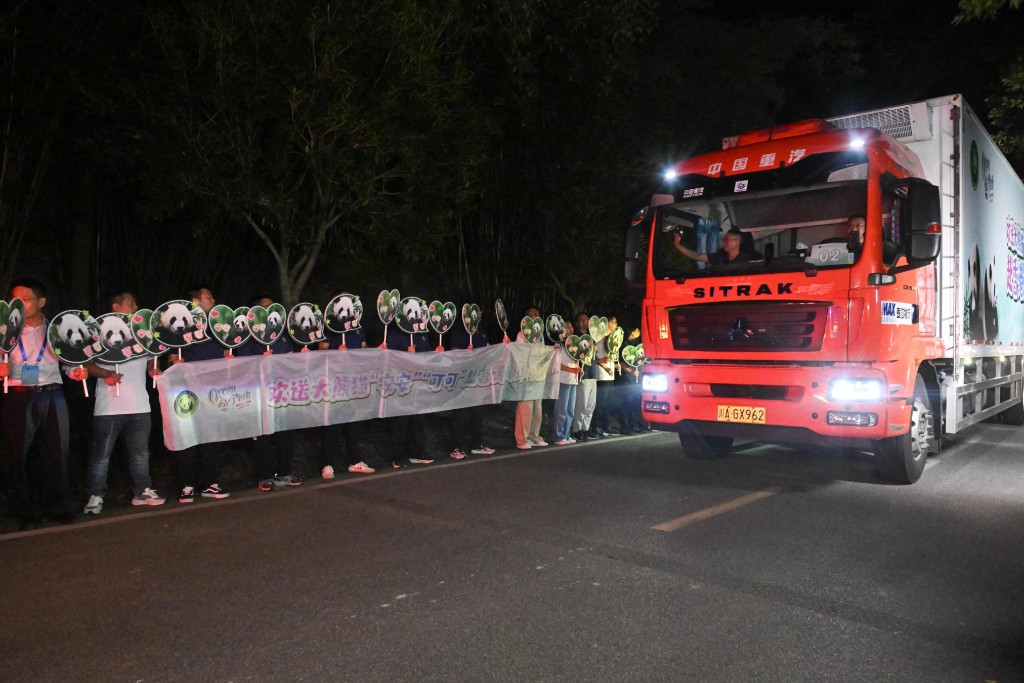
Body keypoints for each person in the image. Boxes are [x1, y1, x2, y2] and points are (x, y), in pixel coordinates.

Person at [0, 277, 84, 529]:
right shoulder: (6, 330)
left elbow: (68, 361)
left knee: (57, 453)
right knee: (18, 455)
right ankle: (26, 511)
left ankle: (57, 507)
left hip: (53, 393)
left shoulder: (56, 329)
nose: (18, 303)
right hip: (18, 393)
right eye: (15, 299)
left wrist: (75, 373)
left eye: (24, 299)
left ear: (41, 301)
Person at [82, 291, 165, 514]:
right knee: (102, 456)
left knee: (140, 453)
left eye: (136, 302)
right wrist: (104, 373)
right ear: (116, 306)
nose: (136, 306)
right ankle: (96, 495)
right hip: (109, 406)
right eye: (131, 303)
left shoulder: (141, 331)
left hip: (140, 405)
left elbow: (151, 358)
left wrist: (153, 370)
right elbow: (85, 363)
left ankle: (142, 491)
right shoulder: (99, 332)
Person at [236, 295, 302, 492]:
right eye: (264, 308)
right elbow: (241, 365)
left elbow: (291, 363)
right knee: (262, 436)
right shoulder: (247, 338)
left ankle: (285, 472)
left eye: (272, 308)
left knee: (286, 434)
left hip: (282, 394)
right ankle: (265, 476)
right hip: (258, 395)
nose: (269, 312)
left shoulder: (282, 337)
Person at [170, 286, 230, 503]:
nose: (213, 300)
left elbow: (227, 351)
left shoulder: (219, 325)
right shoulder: (180, 324)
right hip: (187, 391)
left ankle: (210, 483)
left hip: (213, 390)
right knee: (188, 437)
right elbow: (170, 355)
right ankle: (186, 485)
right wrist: (173, 363)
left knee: (212, 437)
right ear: (194, 301)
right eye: (207, 297)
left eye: (213, 296)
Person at [317, 293, 378, 478]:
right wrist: (336, 353)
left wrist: (376, 351)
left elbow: (364, 347)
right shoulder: (329, 328)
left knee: (354, 424)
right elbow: (320, 351)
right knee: (332, 425)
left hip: (354, 382)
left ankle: (355, 461)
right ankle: (327, 464)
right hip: (334, 383)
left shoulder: (358, 328)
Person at [386, 322, 434, 468]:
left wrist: (437, 353)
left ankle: (417, 453)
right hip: (400, 385)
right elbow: (388, 359)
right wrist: (406, 355)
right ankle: (396, 456)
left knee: (418, 421)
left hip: (418, 383)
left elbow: (429, 357)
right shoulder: (394, 335)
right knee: (400, 422)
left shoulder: (422, 334)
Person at [447, 322, 496, 459]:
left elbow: (488, 349)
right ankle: (456, 447)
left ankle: (477, 444)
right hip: (462, 379)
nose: (477, 315)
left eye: (479, 312)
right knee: (460, 415)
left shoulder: (480, 329)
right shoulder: (458, 330)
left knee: (477, 414)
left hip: (478, 379)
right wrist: (466, 353)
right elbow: (454, 354)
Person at [514, 307, 547, 450]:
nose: (535, 315)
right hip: (526, 376)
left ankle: (534, 436)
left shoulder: (541, 335)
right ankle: (521, 439)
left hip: (538, 376)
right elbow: (518, 352)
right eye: (531, 314)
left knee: (537, 411)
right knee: (525, 409)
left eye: (537, 313)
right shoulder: (522, 334)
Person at [552, 320, 582, 445]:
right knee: (561, 410)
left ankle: (566, 434)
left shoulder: (574, 344)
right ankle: (558, 436)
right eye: (567, 326)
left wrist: (579, 369)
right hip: (563, 380)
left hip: (573, 380)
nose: (570, 329)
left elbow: (576, 362)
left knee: (570, 410)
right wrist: (571, 369)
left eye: (571, 326)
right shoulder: (559, 344)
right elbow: (555, 363)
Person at [590, 315, 618, 437]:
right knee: (600, 402)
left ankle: (606, 426)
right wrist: (604, 365)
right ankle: (597, 426)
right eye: (614, 322)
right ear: (609, 324)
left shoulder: (612, 338)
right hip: (601, 373)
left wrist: (615, 365)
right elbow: (593, 355)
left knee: (608, 401)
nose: (615, 325)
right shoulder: (599, 336)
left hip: (610, 374)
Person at [571, 312, 598, 441]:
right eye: (581, 320)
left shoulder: (592, 335)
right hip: (583, 372)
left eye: (587, 319)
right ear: (577, 323)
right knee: (582, 404)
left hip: (592, 371)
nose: (585, 321)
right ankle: (577, 429)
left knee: (591, 404)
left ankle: (585, 429)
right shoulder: (576, 337)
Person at [673, 226, 753, 266]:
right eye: (724, 239)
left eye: (727, 239)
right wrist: (677, 245)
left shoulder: (749, 259)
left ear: (736, 241)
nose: (723, 242)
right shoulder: (719, 256)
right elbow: (697, 255)